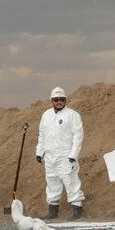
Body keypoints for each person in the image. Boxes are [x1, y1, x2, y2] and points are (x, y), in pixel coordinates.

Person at [35, 86, 84, 220]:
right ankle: (52, 212)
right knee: (52, 183)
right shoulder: (46, 115)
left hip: (65, 157)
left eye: (61, 99)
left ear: (65, 100)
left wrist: (73, 155)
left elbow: (78, 137)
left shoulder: (72, 115)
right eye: (56, 99)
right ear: (51, 100)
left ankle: (77, 211)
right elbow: (42, 135)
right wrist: (39, 152)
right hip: (50, 157)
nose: (59, 102)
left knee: (71, 182)